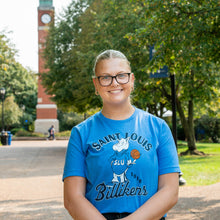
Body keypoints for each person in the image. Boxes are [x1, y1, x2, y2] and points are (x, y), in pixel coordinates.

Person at [63, 49, 180, 220]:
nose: (114, 83)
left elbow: (170, 191)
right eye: (105, 77)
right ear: (96, 84)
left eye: (121, 75)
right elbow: (72, 198)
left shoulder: (158, 128)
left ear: (132, 80)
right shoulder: (81, 133)